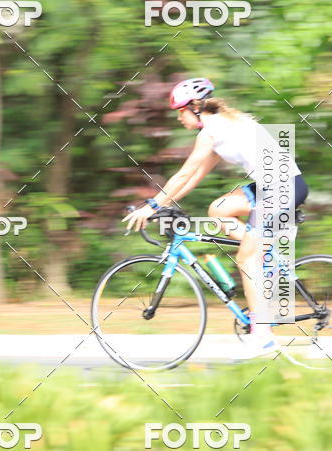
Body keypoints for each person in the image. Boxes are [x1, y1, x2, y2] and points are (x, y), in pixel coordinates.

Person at [123, 78, 309, 357]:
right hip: (275, 186)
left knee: (245, 258)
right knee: (219, 209)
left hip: (282, 189)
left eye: (180, 111)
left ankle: (263, 337)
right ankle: (264, 251)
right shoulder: (219, 128)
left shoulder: (213, 130)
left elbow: (183, 175)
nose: (179, 118)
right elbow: (193, 178)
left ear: (195, 108)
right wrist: (163, 204)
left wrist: (151, 206)